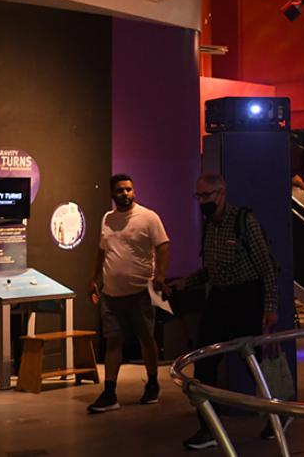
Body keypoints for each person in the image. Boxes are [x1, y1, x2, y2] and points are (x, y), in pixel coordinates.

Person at [179, 173, 280, 451]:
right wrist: (187, 281)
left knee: (254, 364)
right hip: (220, 298)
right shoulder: (209, 225)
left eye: (206, 196)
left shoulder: (243, 221)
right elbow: (213, 270)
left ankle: (277, 415)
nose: (201, 202)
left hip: (246, 298)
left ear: (221, 193)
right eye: (197, 196)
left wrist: (270, 307)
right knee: (205, 360)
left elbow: (266, 267)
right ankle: (209, 427)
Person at [86, 174, 169, 414]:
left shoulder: (148, 217)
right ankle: (110, 393)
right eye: (121, 190)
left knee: (146, 339)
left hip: (140, 292)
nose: (125, 194)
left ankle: (152, 383)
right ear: (113, 194)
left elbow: (163, 246)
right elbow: (102, 251)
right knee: (113, 342)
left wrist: (161, 276)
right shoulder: (107, 218)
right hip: (111, 295)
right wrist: (94, 279)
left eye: (129, 189)